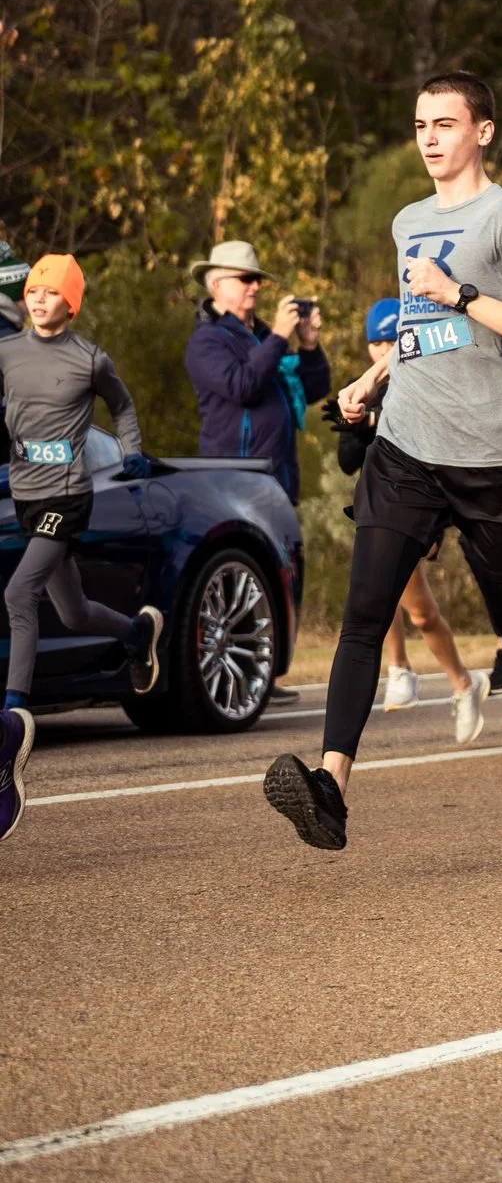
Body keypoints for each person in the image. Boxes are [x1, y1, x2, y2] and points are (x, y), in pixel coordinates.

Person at [263, 72, 502, 852]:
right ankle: (331, 787)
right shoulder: (408, 221)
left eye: (445, 122)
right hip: (407, 445)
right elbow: (418, 324)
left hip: (496, 459)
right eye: (419, 124)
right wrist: (372, 378)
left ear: (484, 131)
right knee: (366, 614)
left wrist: (463, 294)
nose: (429, 137)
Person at [0, 255, 166, 838]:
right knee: (71, 609)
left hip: (68, 497)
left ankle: (12, 720)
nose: (37, 299)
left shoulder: (89, 359)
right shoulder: (8, 352)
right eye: (32, 291)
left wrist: (130, 449)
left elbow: (121, 407)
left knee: (19, 593)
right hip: (26, 496)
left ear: (70, 304)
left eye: (49, 292)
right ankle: (136, 633)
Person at [322, 298, 489, 727]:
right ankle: (402, 669)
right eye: (376, 342)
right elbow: (346, 461)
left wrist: (443, 523)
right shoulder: (362, 387)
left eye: (391, 340)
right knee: (380, 597)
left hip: (420, 509)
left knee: (420, 611)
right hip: (377, 506)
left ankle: (461, 684)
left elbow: (453, 454)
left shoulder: (429, 384)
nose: (383, 351)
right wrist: (357, 425)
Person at [185, 238, 331, 505]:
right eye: (246, 279)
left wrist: (309, 346)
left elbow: (313, 390)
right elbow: (242, 387)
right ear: (216, 285)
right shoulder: (205, 341)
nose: (255, 286)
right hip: (233, 487)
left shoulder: (265, 335)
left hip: (279, 484)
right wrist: (279, 337)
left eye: (258, 280)